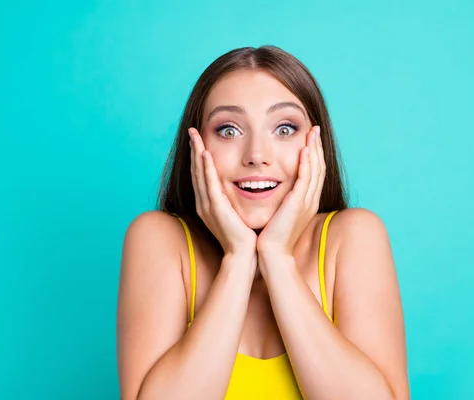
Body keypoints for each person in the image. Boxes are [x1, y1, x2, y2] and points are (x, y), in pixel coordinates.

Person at [116, 45, 410, 400]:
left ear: (316, 143)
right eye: (228, 130)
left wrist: (276, 257)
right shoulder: (159, 240)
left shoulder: (353, 237)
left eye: (284, 128)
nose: (256, 155)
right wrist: (238, 258)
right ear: (196, 146)